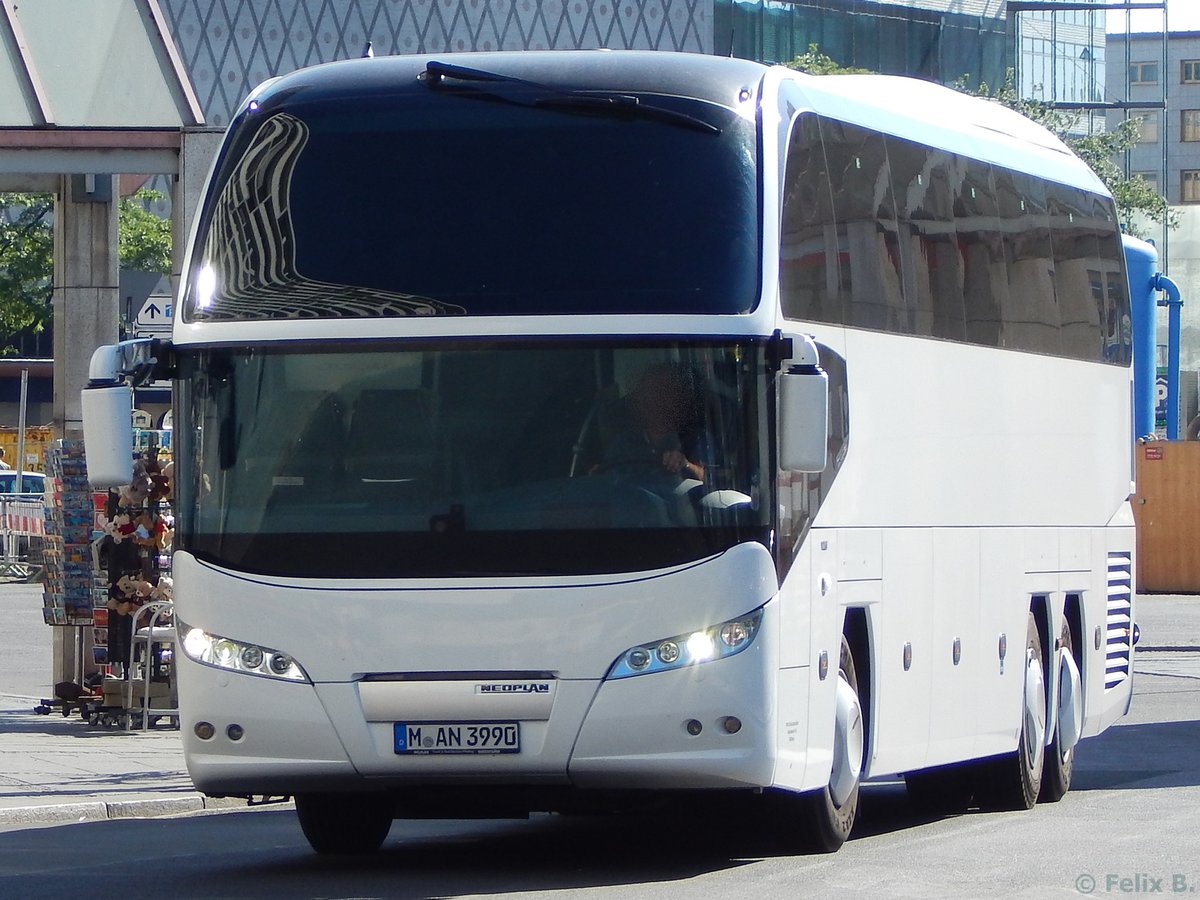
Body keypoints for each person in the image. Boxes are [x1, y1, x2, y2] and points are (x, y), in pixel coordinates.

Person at [598, 363, 711, 481]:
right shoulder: (623, 443)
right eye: (649, 393)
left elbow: (711, 481)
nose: (656, 401)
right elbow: (609, 480)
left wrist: (685, 464)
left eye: (663, 393)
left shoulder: (696, 439)